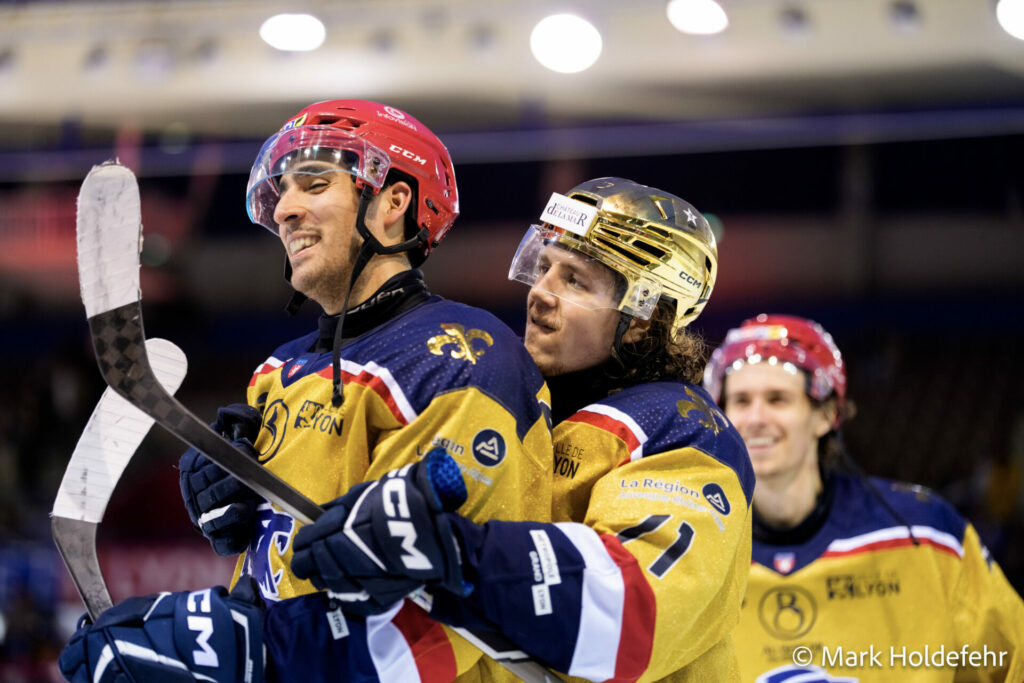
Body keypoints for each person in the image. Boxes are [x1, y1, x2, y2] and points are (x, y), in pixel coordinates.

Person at [59, 177, 755, 682]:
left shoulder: (682, 429)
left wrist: (453, 549)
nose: (541, 292)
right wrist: (268, 483)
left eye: (576, 280)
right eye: (543, 268)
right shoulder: (522, 403)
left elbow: (629, 610)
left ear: (644, 316)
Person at [66, 98, 556, 682]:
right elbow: (281, 571)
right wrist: (234, 501)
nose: (286, 211)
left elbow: (451, 616)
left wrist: (250, 655)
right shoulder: (280, 369)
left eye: (315, 185)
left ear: (394, 202)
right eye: (282, 192)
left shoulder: (464, 357)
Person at [703, 314, 1024, 682]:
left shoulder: (927, 533)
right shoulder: (697, 546)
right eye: (741, 401)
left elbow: (1013, 661)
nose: (755, 418)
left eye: (778, 399)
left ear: (826, 414)